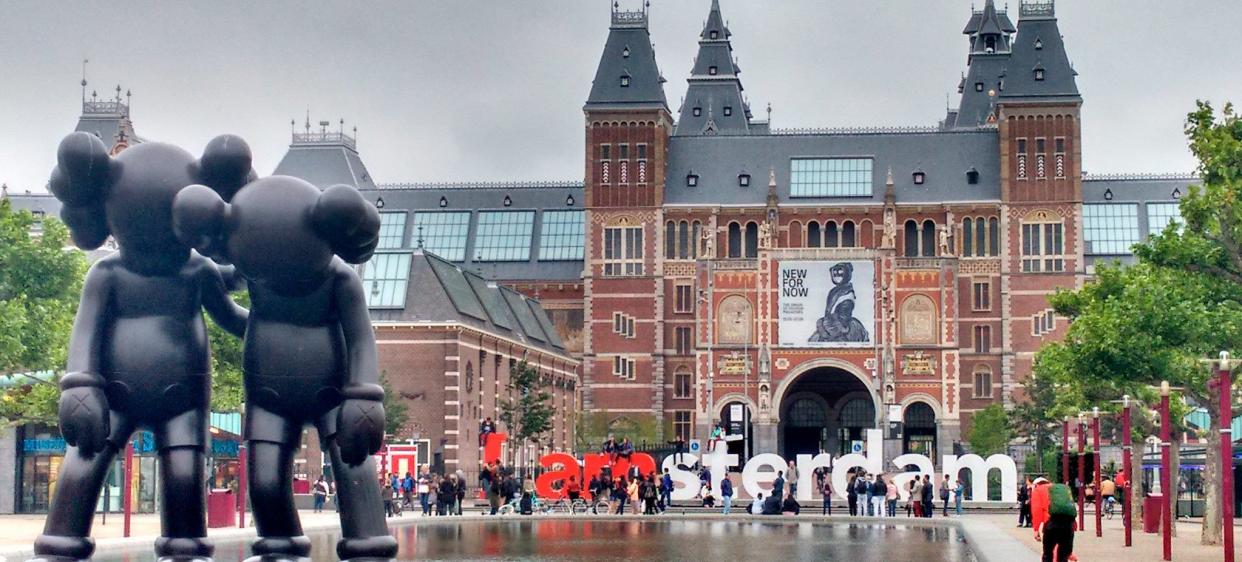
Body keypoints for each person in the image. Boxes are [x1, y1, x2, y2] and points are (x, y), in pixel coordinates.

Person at [1035, 481, 1077, 562]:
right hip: (1067, 527)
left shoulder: (1043, 491)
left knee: (1047, 553)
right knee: (1063, 556)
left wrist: (1036, 529)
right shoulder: (1068, 502)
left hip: (1051, 526)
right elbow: (1073, 515)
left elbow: (1037, 510)